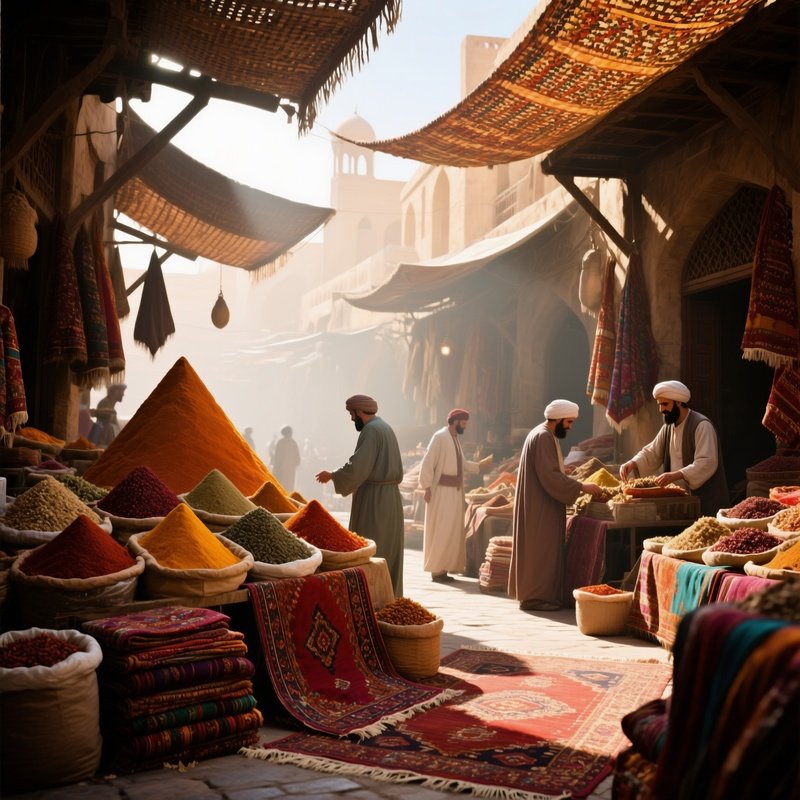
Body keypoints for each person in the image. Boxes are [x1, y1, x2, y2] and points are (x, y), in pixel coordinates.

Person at [508, 399, 603, 612]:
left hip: (539, 503)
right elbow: (549, 476)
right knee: (541, 551)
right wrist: (581, 486)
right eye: (568, 422)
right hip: (541, 506)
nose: (570, 427)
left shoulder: (542, 434)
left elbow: (548, 469)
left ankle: (538, 596)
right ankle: (535, 597)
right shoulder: (543, 436)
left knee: (540, 550)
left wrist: (565, 474)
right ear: (558, 419)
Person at [316, 394, 405, 597]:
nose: (351, 418)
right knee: (389, 550)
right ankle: (390, 597)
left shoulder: (371, 430)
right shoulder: (385, 427)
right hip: (390, 499)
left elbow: (358, 466)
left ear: (358, 412)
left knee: (371, 548)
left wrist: (333, 475)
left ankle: (372, 598)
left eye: (351, 414)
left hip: (375, 501)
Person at [619, 380, 729, 515]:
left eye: (665, 404)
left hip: (704, 504)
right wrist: (632, 463)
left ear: (679, 402)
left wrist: (677, 475)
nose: (661, 410)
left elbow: (707, 462)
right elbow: (652, 451)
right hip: (679, 504)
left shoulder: (702, 425)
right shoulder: (668, 428)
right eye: (659, 405)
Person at [418, 408, 492, 583]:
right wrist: (426, 487)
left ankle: (443, 568)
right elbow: (428, 462)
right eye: (463, 423)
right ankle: (437, 570)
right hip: (441, 492)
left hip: (454, 493)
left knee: (450, 530)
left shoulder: (454, 439)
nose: (465, 427)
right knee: (441, 530)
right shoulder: (440, 437)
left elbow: (463, 464)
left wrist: (479, 466)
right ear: (455, 422)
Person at [271, 424, 301, 491]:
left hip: (280, 469)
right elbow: (298, 460)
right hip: (290, 470)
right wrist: (292, 465)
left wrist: (277, 467)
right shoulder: (293, 443)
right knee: (289, 488)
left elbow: (276, 457)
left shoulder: (280, 442)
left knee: (280, 487)